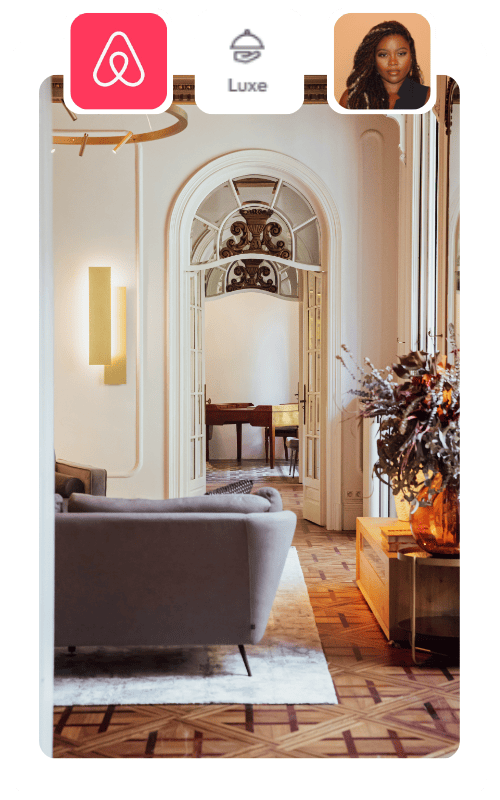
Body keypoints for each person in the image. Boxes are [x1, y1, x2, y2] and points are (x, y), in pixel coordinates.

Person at [339, 20, 430, 110]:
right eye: (383, 55)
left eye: (401, 53)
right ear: (373, 59)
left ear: (411, 57)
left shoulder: (428, 97)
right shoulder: (351, 98)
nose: (393, 62)